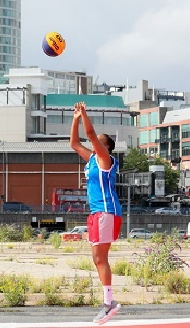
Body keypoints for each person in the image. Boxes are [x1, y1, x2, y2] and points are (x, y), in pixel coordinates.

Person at [70, 102, 122, 325]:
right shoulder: (91, 159)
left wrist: (84, 115)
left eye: (99, 141)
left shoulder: (104, 159)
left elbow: (89, 134)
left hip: (106, 211)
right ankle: (108, 302)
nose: (94, 141)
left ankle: (109, 304)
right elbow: (74, 143)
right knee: (97, 258)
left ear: (107, 147)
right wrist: (74, 119)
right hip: (97, 212)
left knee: (101, 258)